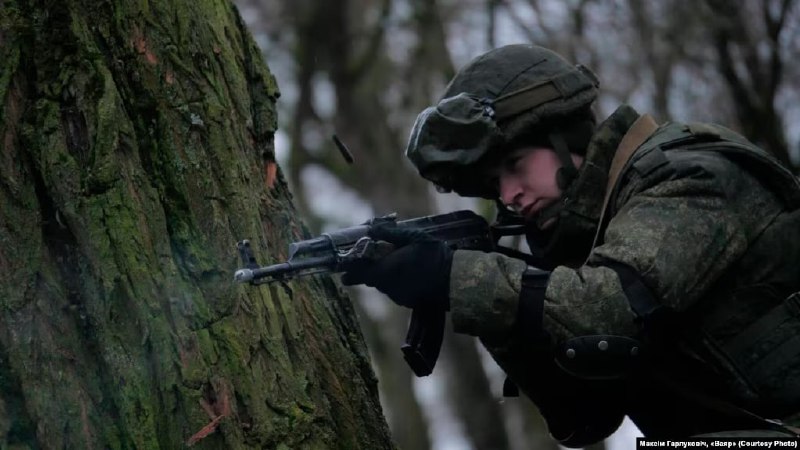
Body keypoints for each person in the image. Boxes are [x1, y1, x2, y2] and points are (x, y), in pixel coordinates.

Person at [341, 44, 800, 445]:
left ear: (566, 136)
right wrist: (484, 303)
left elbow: (608, 308)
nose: (509, 194)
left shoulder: (686, 177)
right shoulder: (594, 238)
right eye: (495, 184)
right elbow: (583, 418)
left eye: (515, 164)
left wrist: (457, 277)